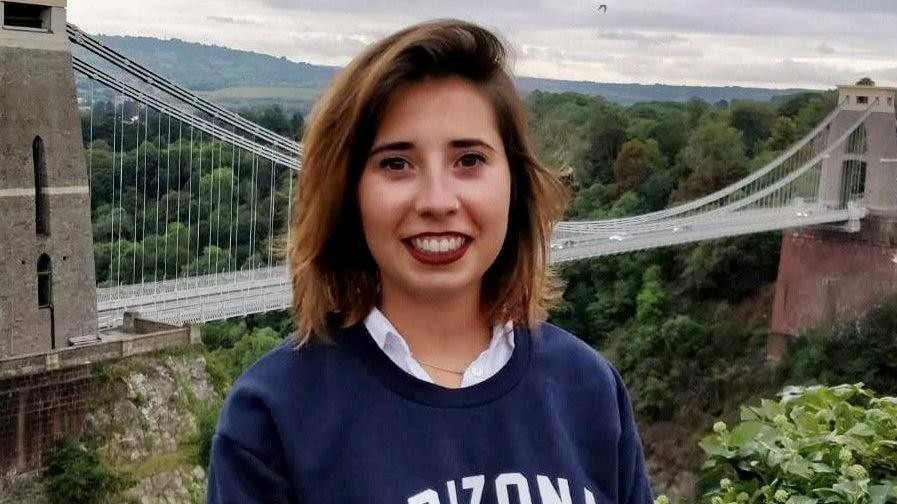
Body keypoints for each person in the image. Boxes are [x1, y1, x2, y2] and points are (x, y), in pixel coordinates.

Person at [207, 19, 653, 504]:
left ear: (515, 183)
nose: (437, 201)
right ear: (348, 194)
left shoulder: (587, 389)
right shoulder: (273, 416)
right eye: (396, 163)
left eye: (469, 160)